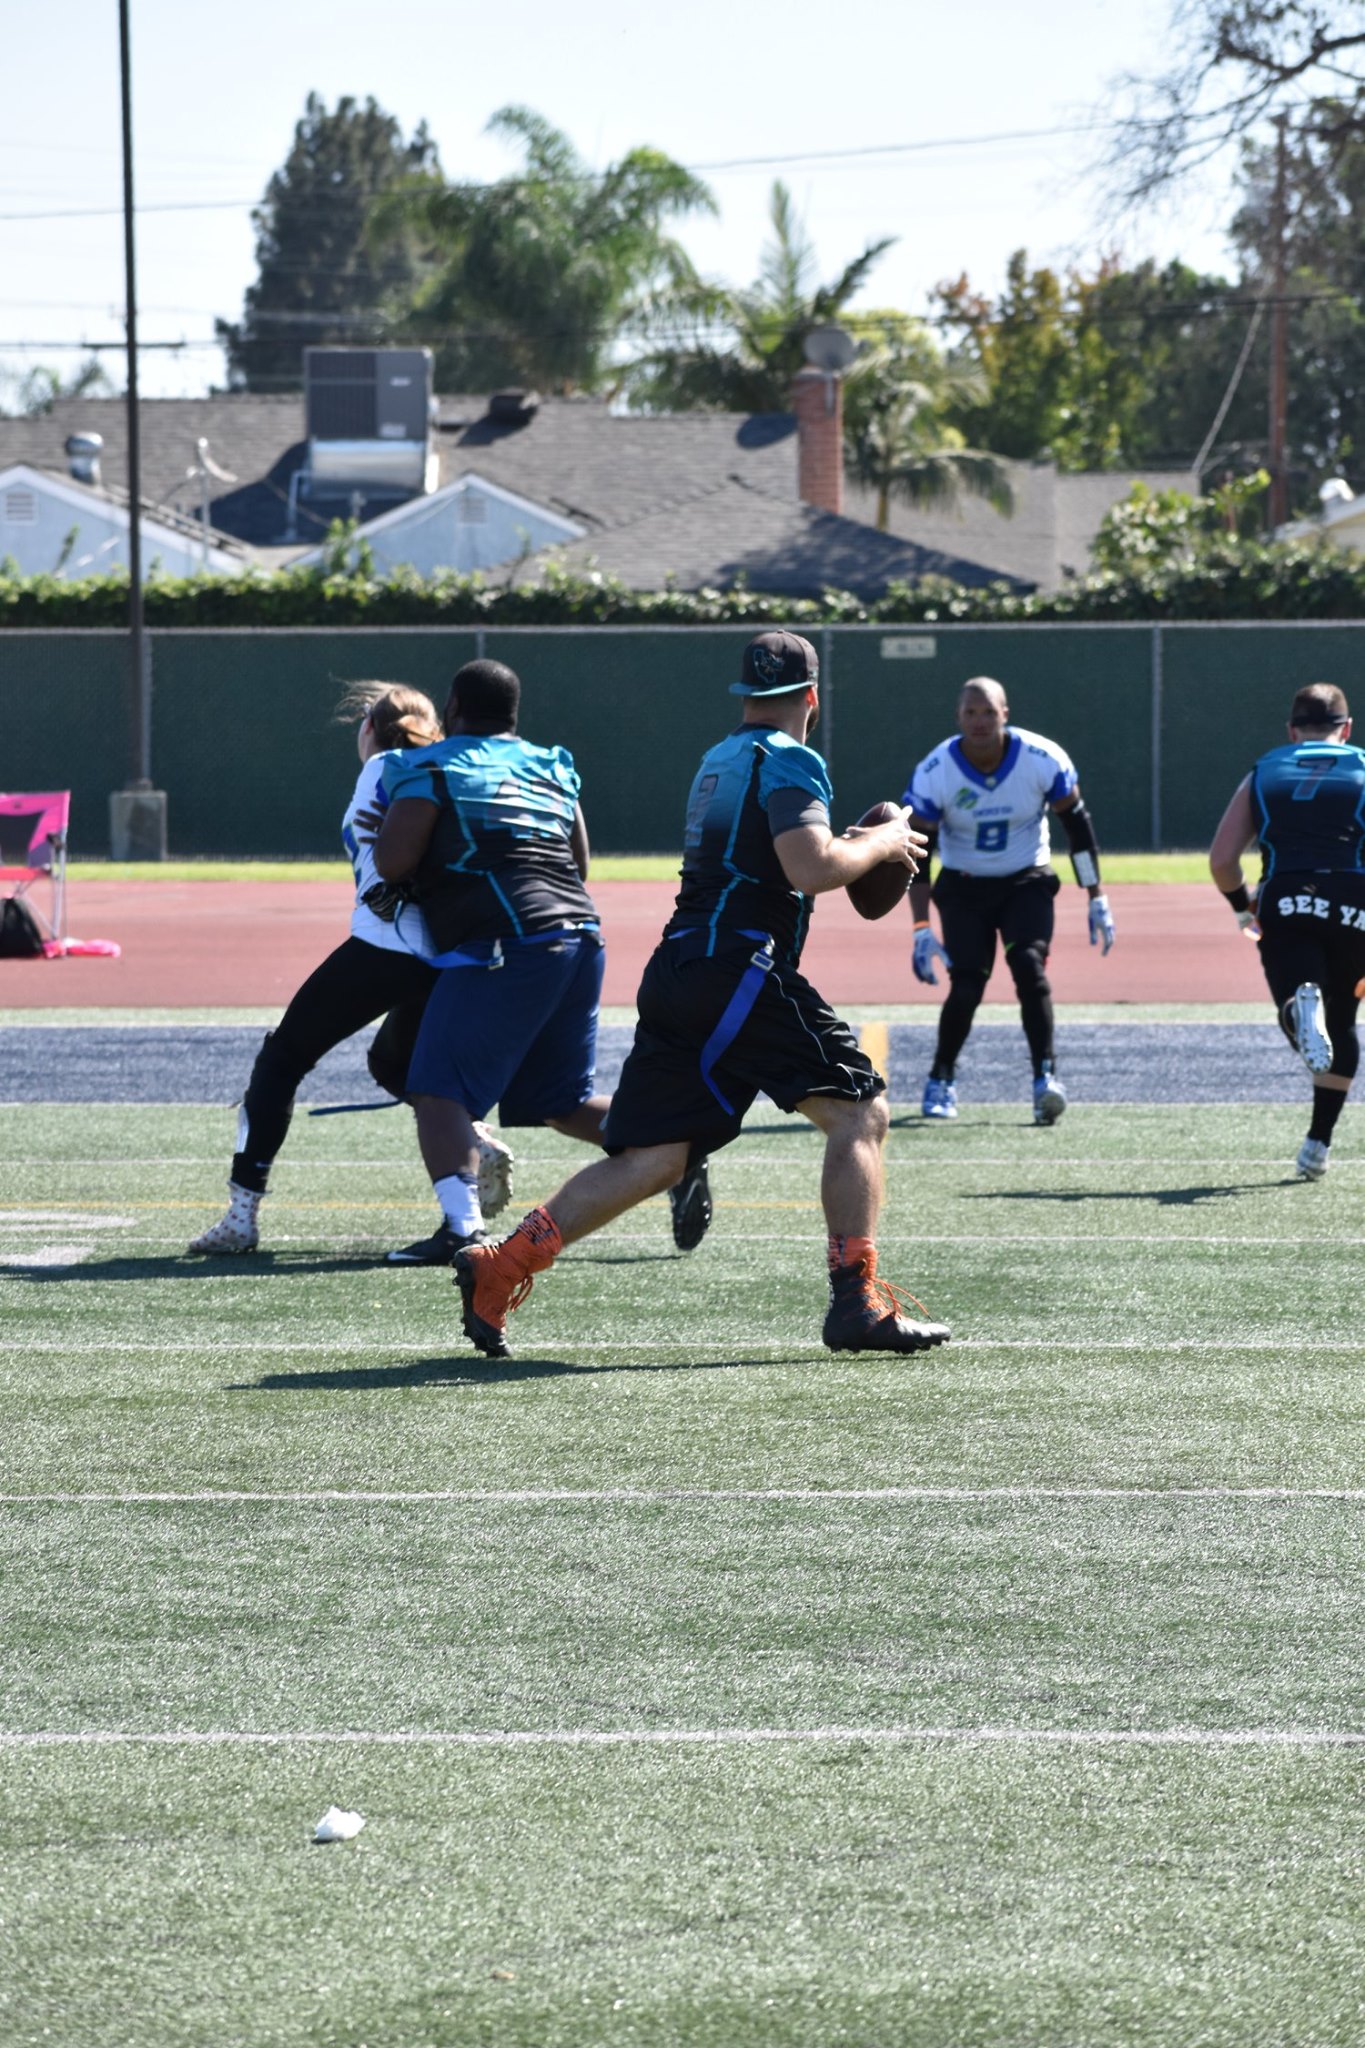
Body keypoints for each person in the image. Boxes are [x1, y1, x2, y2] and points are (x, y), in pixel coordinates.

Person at [449, 629, 950, 1362]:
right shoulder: (790, 757)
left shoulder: (719, 758)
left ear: (746, 694)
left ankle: (503, 1263)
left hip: (681, 968)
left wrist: (854, 845)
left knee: (654, 1158)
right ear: (812, 697)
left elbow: (776, 859)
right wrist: (882, 844)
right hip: (737, 969)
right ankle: (856, 1300)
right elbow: (809, 868)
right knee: (860, 1112)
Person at [371, 657, 711, 1264]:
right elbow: (579, 862)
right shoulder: (550, 762)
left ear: (453, 708)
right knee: (560, 1099)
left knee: (437, 1090)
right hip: (580, 935)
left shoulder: (431, 764)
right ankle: (674, 1151)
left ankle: (462, 1228)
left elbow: (393, 860)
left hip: (506, 942)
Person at [187, 682, 513, 1256]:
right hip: (449, 953)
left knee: (282, 1059)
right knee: (396, 1065)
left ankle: (241, 1214)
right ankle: (471, 1141)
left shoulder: (387, 766)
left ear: (370, 728)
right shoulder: (450, 767)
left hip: (387, 944)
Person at [902, 676, 1115, 1125]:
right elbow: (919, 853)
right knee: (968, 983)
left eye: (988, 712)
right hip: (964, 887)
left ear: (1005, 714)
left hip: (1025, 881)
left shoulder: (1042, 758)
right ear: (958, 718)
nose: (979, 721)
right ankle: (941, 1076)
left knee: (1029, 968)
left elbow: (1078, 830)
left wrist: (1096, 895)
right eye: (970, 712)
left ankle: (1045, 1079)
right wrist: (921, 927)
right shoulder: (936, 769)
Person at [1209, 681, 1365, 1180]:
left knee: (1300, 1002)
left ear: (1292, 730)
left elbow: (1222, 860)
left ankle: (1300, 1009)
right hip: (1354, 900)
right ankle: (1318, 1143)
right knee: (1343, 1023)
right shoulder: (1363, 766)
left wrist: (1242, 909)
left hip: (1285, 896)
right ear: (1347, 728)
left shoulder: (1265, 769)